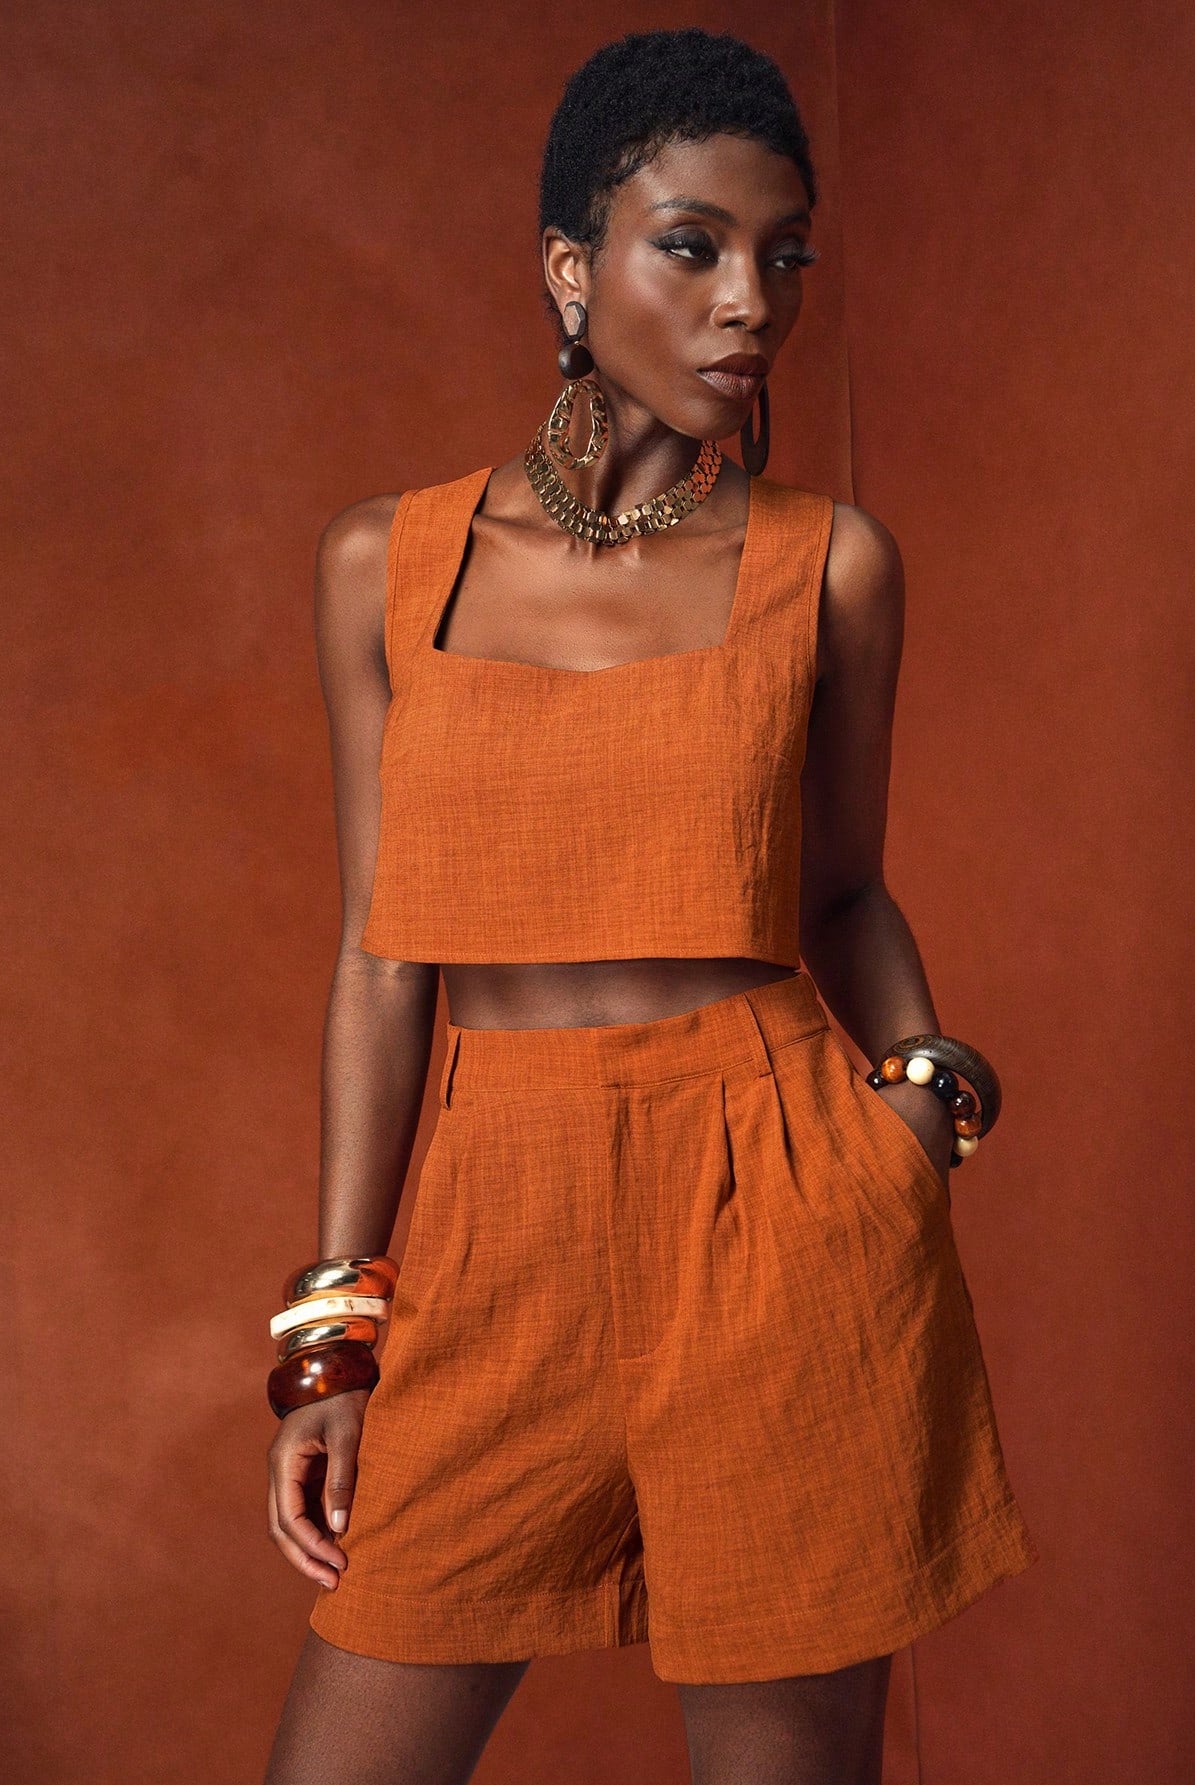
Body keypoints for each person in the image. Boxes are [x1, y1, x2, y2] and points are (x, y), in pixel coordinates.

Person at [263, 27, 1038, 1785]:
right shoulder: (386, 564)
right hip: (495, 1231)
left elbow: (844, 889)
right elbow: (382, 956)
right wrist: (335, 1329)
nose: (751, 302)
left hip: (777, 1221)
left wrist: (926, 1108)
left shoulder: (831, 565)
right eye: (693, 246)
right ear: (571, 266)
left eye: (785, 256)